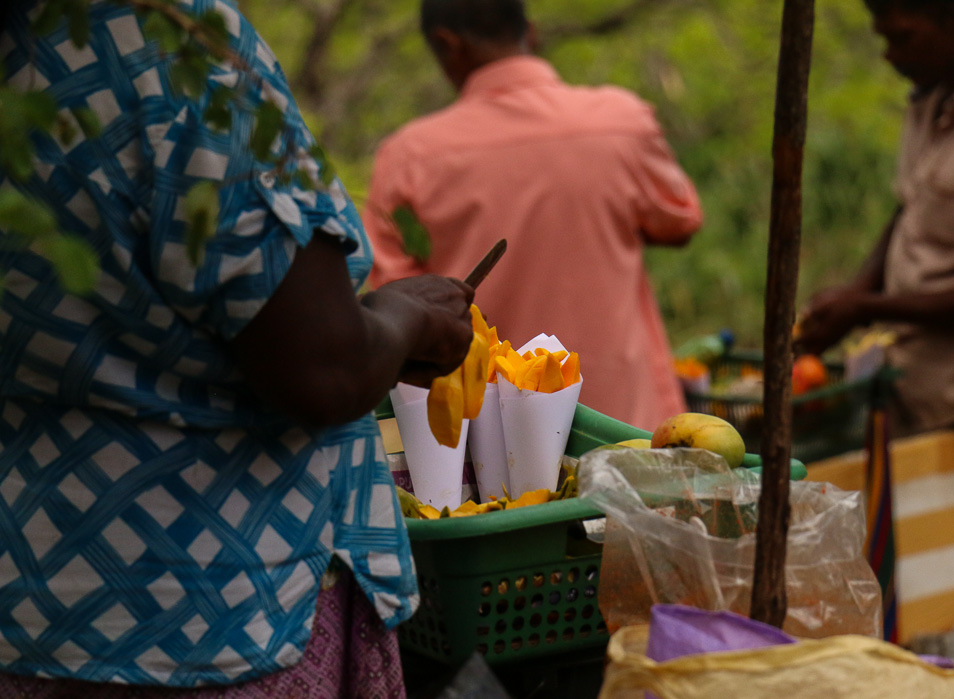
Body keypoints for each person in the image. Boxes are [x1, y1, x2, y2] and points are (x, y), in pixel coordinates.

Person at [0, 0, 476, 696]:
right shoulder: (170, 39)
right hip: (212, 617)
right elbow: (325, 366)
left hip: (32, 605)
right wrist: (401, 318)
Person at [795, 0, 954, 629]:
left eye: (901, 36)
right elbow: (912, 211)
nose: (889, 55)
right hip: (929, 378)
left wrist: (869, 306)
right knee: (946, 576)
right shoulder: (934, 97)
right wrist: (857, 291)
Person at [362, 0, 703, 432]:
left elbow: (398, 300)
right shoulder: (622, 123)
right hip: (630, 433)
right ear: (531, 31)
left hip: (490, 447)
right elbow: (681, 220)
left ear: (448, 45)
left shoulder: (409, 158)